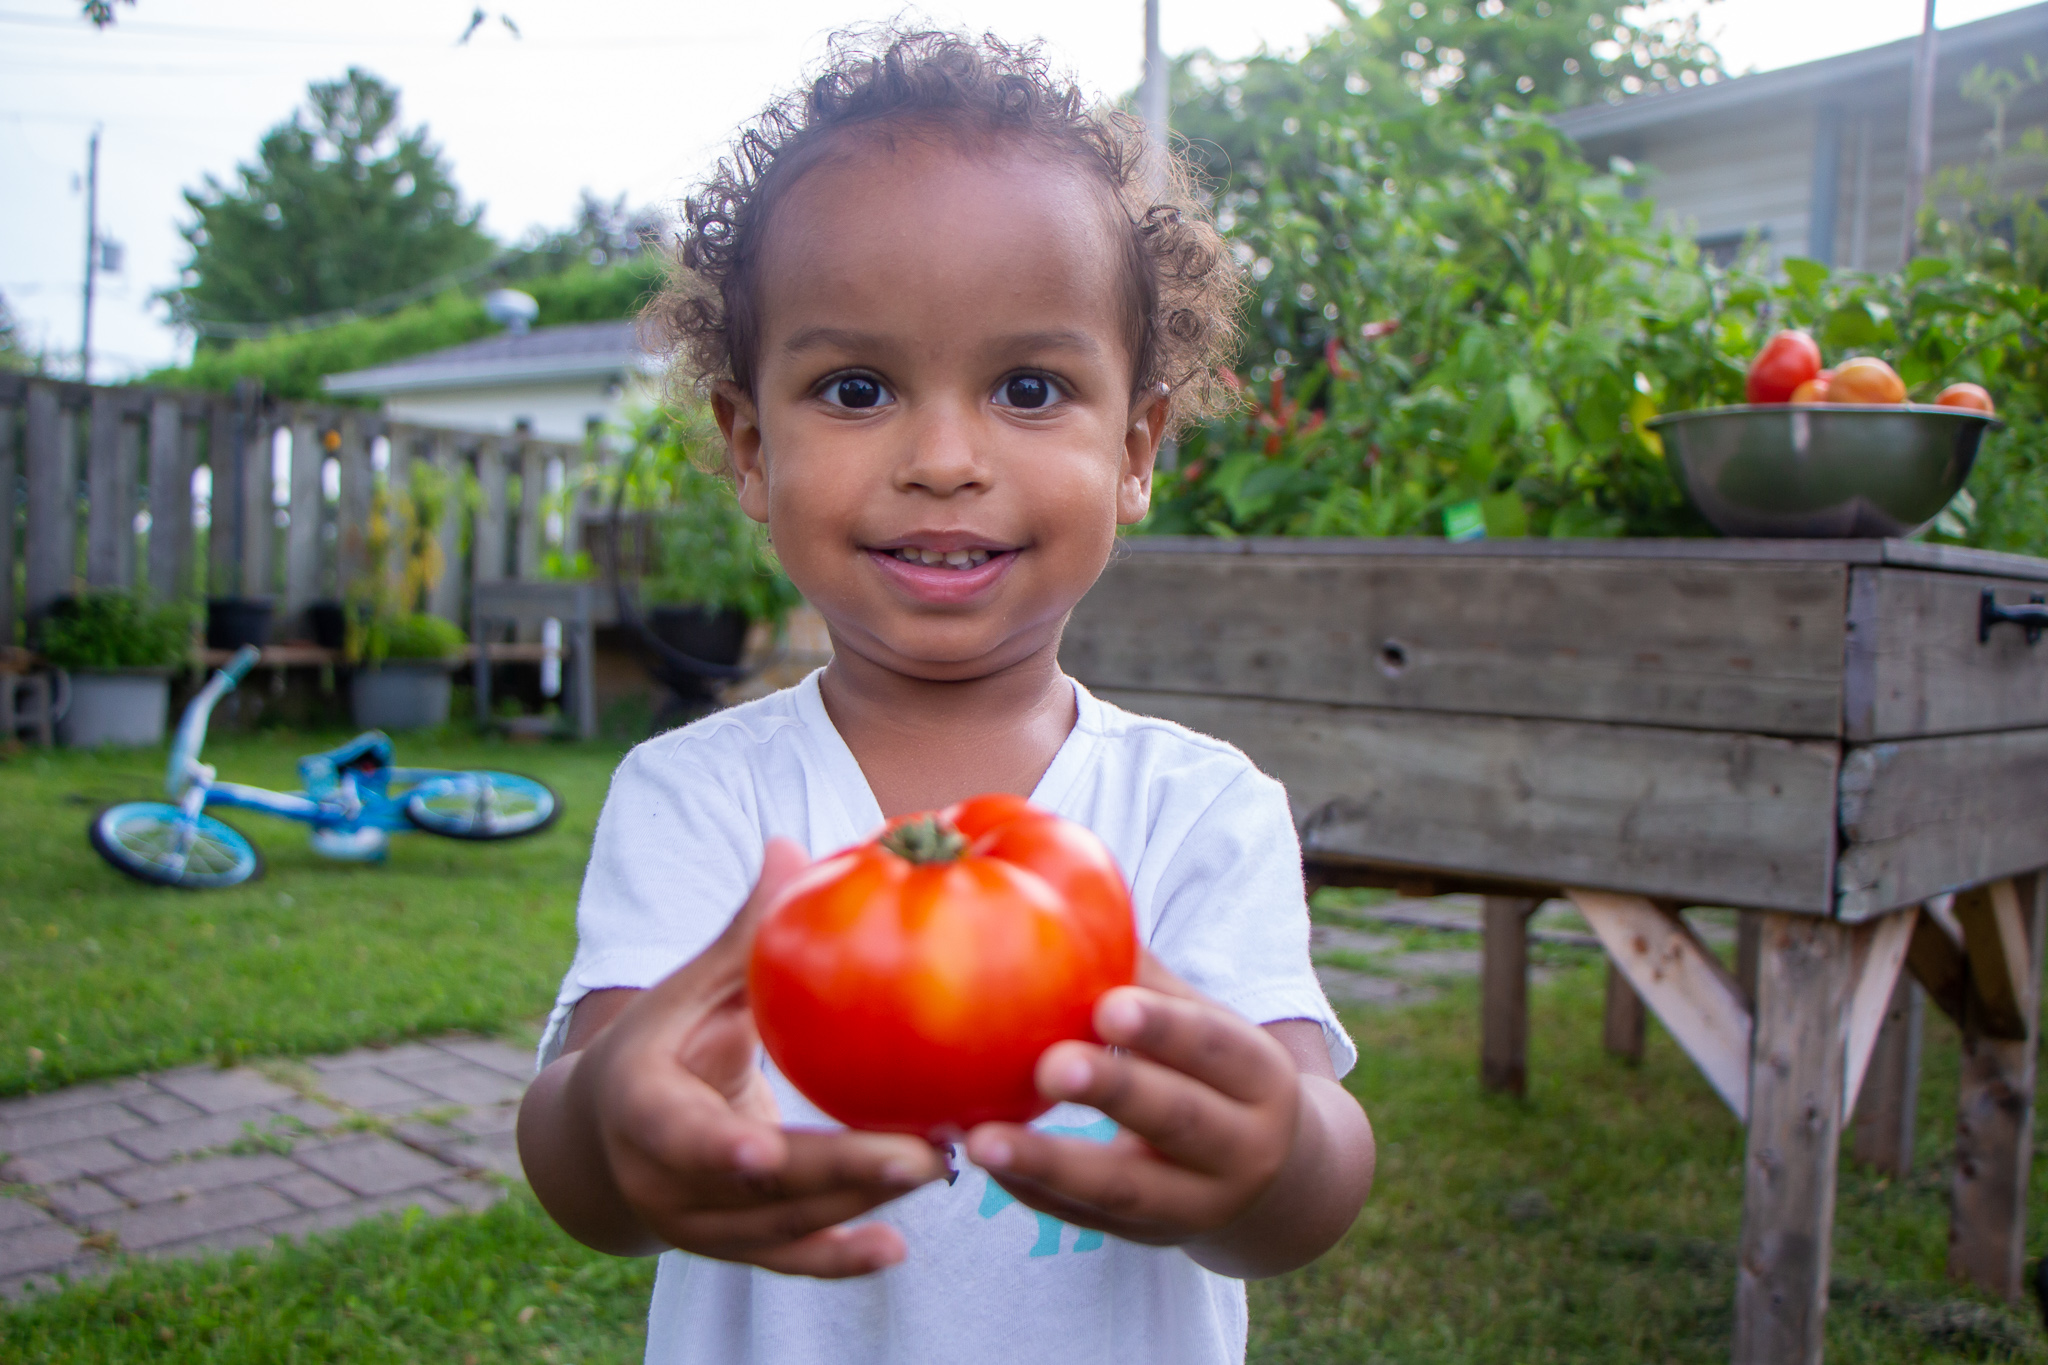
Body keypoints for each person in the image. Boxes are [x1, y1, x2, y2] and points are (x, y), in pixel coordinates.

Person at [516, 28, 1375, 1365]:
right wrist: (615, 1134)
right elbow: (589, 1150)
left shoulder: (1196, 809)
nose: (943, 458)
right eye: (856, 388)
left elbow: (1307, 1179)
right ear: (752, 445)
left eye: (1029, 387)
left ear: (1135, 446)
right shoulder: (700, 797)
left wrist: (1278, 1153)